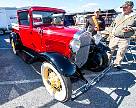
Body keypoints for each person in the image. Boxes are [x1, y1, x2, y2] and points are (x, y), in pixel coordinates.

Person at [107, 1, 136, 70]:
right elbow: (113, 24)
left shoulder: (134, 16)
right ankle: (107, 62)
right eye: (123, 7)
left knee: (121, 52)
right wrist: (110, 32)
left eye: (125, 7)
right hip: (114, 37)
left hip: (124, 38)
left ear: (131, 7)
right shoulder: (119, 15)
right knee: (109, 51)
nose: (123, 9)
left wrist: (131, 28)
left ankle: (117, 64)